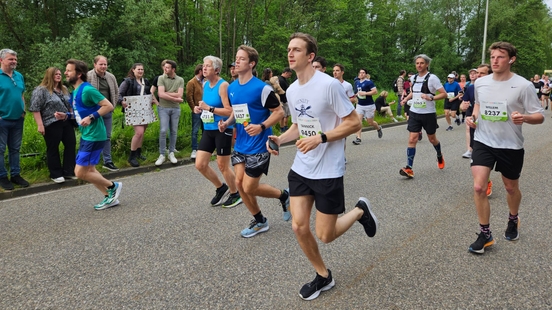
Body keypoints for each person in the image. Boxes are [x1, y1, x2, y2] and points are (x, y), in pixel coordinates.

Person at [268, 32, 378, 301]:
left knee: (325, 235)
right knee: (298, 226)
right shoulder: (292, 90)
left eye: (296, 49)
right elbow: (298, 125)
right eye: (288, 49)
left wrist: (322, 138)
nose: (290, 53)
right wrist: (280, 139)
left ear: (310, 56)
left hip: (328, 170)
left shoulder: (329, 86)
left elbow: (354, 123)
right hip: (302, 168)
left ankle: (359, 211)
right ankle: (323, 275)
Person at [466, 42, 544, 254]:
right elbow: (479, 106)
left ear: (511, 59)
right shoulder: (480, 83)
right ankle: (485, 234)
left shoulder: (523, 85)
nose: (495, 60)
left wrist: (525, 118)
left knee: (511, 188)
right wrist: (472, 118)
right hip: (483, 141)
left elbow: (540, 116)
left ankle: (512, 218)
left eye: (500, 56)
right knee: (479, 187)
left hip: (510, 145)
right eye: (492, 56)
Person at [218, 45, 290, 238]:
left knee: (249, 186)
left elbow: (279, 112)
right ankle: (260, 221)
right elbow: (237, 112)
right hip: (240, 144)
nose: (237, 61)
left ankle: (284, 195)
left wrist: (261, 126)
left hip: (259, 144)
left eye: (241, 58)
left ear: (251, 64)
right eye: (236, 58)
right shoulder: (232, 88)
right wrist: (227, 123)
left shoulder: (262, 88)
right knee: (240, 185)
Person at [62, 59, 122, 210]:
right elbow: (80, 114)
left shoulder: (87, 89)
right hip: (87, 134)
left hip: (94, 135)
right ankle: (110, 198)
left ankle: (112, 186)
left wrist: (91, 117)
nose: (65, 73)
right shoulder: (76, 91)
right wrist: (66, 116)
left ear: (79, 74)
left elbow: (108, 105)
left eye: (69, 70)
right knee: (90, 170)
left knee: (80, 172)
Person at [194, 56, 242, 208]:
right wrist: (199, 108)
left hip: (223, 129)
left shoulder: (224, 85)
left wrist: (210, 108)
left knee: (222, 165)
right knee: (200, 164)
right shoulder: (205, 84)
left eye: (208, 66)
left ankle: (236, 194)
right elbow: (206, 105)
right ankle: (221, 188)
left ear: (216, 69)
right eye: (203, 66)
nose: (204, 68)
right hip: (208, 129)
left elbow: (230, 111)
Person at [399, 54, 447, 178]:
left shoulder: (432, 78)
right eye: (417, 63)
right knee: (412, 139)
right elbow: (414, 93)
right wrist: (405, 99)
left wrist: (431, 97)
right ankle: (409, 168)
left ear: (427, 64)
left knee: (432, 139)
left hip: (428, 114)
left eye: (421, 63)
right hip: (415, 112)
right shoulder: (413, 78)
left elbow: (444, 94)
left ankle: (439, 155)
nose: (419, 65)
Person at [29, 67, 76, 183]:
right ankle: (55, 173)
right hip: (51, 122)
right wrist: (40, 125)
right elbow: (35, 108)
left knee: (71, 144)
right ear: (50, 75)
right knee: (53, 147)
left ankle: (68, 171)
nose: (59, 76)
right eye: (56, 74)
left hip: (66, 121)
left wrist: (72, 115)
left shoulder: (63, 89)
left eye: (60, 74)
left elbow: (69, 104)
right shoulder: (41, 90)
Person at [460, 64, 494, 197]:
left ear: (490, 74)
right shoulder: (472, 87)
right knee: (480, 156)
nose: (478, 76)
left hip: (494, 127)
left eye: (482, 73)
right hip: (477, 126)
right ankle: (486, 181)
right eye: (477, 73)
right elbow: (463, 104)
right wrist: (464, 106)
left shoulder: (497, 88)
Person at [0, 49, 29, 190]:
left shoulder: (19, 76)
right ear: (1, 60)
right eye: (11, 59)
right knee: (0, 149)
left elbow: (21, 94)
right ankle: (2, 177)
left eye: (15, 59)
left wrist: (23, 110)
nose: (14, 61)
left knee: (15, 149)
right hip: (2, 119)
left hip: (18, 119)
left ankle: (15, 175)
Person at [118, 63, 156, 167]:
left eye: (142, 69)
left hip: (144, 110)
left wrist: (151, 101)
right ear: (133, 70)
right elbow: (119, 94)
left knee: (142, 132)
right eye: (138, 69)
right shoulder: (127, 81)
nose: (140, 71)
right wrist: (122, 101)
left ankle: (138, 152)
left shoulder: (145, 81)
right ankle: (132, 156)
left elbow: (148, 94)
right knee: (138, 132)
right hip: (134, 110)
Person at [87, 55, 119, 172]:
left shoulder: (111, 77)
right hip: (93, 112)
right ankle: (90, 163)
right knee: (93, 136)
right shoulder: (88, 76)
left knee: (107, 137)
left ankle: (107, 161)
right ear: (95, 64)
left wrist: (112, 106)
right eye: (101, 64)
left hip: (107, 111)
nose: (103, 66)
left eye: (105, 64)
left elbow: (116, 92)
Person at [154, 60, 184, 166]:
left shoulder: (180, 79)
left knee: (174, 131)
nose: (165, 69)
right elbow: (160, 94)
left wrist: (166, 94)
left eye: (167, 67)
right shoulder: (161, 78)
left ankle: (171, 152)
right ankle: (162, 154)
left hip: (175, 109)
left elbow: (180, 94)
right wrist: (175, 97)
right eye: (165, 67)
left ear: (173, 69)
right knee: (163, 130)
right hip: (163, 108)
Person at [352, 68, 382, 144]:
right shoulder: (357, 82)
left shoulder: (369, 82)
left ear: (365, 74)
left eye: (363, 73)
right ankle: (358, 138)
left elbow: (375, 92)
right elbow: (358, 92)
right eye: (360, 72)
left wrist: (365, 93)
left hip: (369, 105)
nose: (361, 74)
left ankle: (378, 128)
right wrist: (356, 95)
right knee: (358, 121)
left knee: (370, 122)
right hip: (360, 105)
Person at [186, 64, 204, 159]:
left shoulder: (205, 82)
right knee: (195, 130)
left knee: (205, 129)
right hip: (197, 109)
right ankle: (194, 149)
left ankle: (204, 148)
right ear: (200, 71)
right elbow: (189, 97)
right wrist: (193, 108)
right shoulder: (191, 82)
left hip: (206, 110)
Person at [278, 67, 293, 132]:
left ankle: (284, 127)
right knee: (285, 115)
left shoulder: (280, 79)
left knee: (285, 115)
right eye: (289, 75)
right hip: (283, 100)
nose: (289, 76)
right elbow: (283, 91)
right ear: (286, 73)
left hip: (283, 100)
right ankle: (283, 127)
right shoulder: (281, 80)